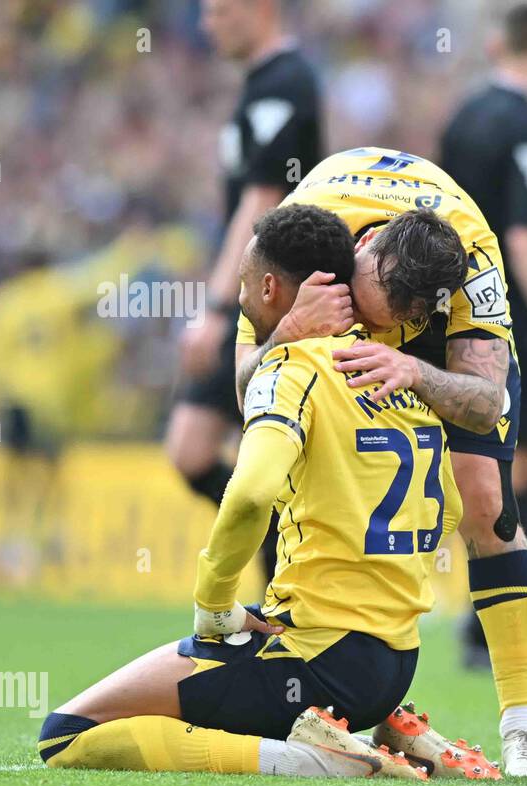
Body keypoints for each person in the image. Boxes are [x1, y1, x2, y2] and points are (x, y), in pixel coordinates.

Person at [38, 204, 496, 782]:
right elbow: (450, 506)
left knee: (67, 735)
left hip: (313, 654)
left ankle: (312, 758)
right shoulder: (403, 379)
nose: (241, 300)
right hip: (395, 660)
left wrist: (213, 604)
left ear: (271, 286)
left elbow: (252, 493)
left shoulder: (294, 365)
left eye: (243, 285)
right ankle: (386, 724)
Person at [233, 146, 527, 776]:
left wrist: (414, 368)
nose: (364, 325)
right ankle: (323, 675)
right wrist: (285, 334)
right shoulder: (298, 239)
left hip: (433, 349)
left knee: (486, 504)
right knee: (300, 466)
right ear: (363, 250)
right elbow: (244, 390)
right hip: (319, 296)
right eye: (359, 304)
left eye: (387, 322)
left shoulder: (473, 261)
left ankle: (523, 726)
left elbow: (486, 400)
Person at [439, 2, 527, 670]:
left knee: (496, 472)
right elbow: (526, 235)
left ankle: (481, 623)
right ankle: (495, 627)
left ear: (498, 45)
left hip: (451, 312)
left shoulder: (462, 120)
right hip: (511, 321)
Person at [166, 0, 322, 583]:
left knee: (207, 444)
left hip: (271, 294)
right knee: (193, 450)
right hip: (253, 288)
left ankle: (288, 563)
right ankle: (278, 553)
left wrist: (213, 308)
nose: (207, 24)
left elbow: (262, 199)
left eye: (220, 11)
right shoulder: (259, 87)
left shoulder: (288, 81)